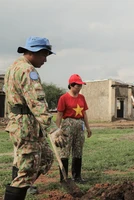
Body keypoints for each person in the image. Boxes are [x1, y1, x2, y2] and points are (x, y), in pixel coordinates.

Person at [3, 36, 68, 200]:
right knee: (28, 168)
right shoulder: (28, 71)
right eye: (44, 55)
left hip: (21, 123)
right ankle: (18, 188)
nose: (45, 60)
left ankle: (20, 182)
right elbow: (36, 102)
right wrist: (52, 128)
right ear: (34, 52)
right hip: (26, 126)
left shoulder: (13, 67)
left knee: (45, 157)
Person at [56, 74, 92, 183]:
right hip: (68, 124)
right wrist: (57, 130)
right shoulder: (64, 98)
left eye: (81, 86)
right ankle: (64, 178)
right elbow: (59, 114)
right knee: (65, 151)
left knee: (78, 150)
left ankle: (77, 176)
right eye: (78, 86)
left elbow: (84, 113)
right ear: (71, 85)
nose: (79, 88)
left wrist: (88, 127)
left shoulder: (82, 98)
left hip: (79, 125)